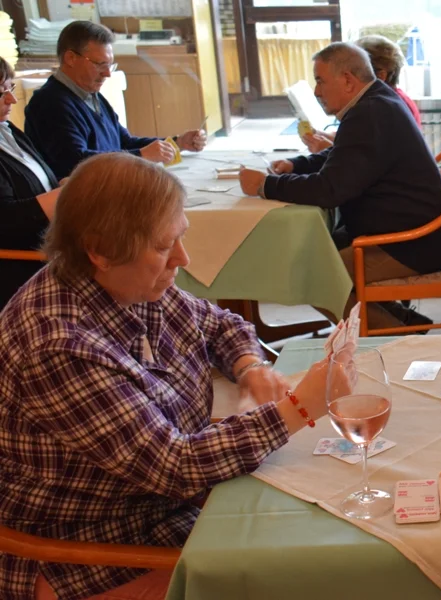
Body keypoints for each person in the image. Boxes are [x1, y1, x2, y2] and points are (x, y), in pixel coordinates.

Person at [0, 153, 336, 600]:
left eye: (178, 237)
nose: (183, 257)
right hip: (84, 545)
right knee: (297, 574)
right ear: (99, 250)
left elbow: (219, 324)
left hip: (152, 506)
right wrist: (296, 409)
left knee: (306, 535)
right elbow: (176, 466)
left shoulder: (127, 281)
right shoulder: (58, 344)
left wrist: (249, 366)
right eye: (163, 246)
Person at [239, 42, 441, 331]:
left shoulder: (369, 113)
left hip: (415, 242)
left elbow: (329, 190)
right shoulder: (376, 101)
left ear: (347, 80)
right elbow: (344, 157)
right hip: (409, 231)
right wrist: (298, 165)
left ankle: (397, 343)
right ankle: (404, 323)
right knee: (313, 253)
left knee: (316, 279)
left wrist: (266, 185)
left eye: (320, 81)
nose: (316, 91)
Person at [25, 21, 207, 179]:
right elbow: (75, 163)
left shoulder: (90, 94)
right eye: (100, 64)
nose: (107, 73)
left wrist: (176, 143)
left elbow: (124, 142)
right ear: (71, 58)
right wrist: (141, 155)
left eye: (109, 64)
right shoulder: (50, 103)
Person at [0, 56, 62, 309]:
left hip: (51, 248)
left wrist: (62, 185)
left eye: (10, 88)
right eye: (0, 93)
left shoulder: (9, 130)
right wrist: (64, 195)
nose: (11, 100)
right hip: (23, 266)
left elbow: (42, 181)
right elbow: (5, 221)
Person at [302, 35, 421, 153]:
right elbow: (362, 141)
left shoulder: (379, 107)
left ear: (380, 76)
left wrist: (329, 151)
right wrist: (322, 137)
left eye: (360, 70)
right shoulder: (388, 100)